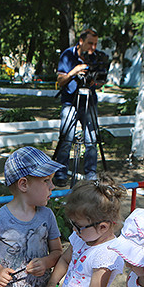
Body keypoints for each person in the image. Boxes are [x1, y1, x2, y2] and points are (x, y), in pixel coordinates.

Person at [0, 147, 64, 287]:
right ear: (23, 185)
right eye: (46, 180)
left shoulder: (47, 215)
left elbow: (57, 251)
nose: (52, 186)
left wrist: (46, 262)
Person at [44, 177, 125, 287]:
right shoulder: (83, 237)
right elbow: (65, 260)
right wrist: (53, 282)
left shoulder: (107, 253)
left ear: (103, 227)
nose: (74, 230)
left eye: (78, 226)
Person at [53, 28, 105, 186]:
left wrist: (94, 81)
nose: (93, 47)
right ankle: (61, 173)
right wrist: (73, 72)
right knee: (66, 138)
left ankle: (91, 174)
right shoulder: (68, 55)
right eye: (90, 43)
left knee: (92, 139)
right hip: (70, 101)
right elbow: (60, 81)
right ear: (81, 41)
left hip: (89, 101)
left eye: (95, 44)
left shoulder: (97, 57)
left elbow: (101, 81)